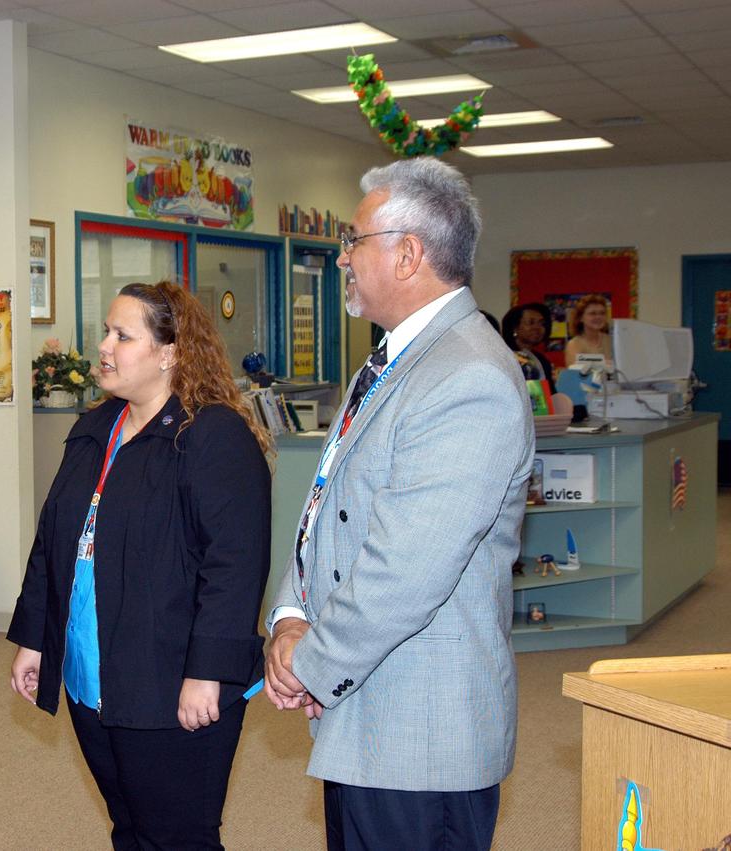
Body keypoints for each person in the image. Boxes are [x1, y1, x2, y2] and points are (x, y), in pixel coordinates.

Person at [263, 158, 533, 850]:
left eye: (353, 242)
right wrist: (291, 616)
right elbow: (323, 503)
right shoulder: (392, 358)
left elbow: (407, 567)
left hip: (421, 732)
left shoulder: (469, 375)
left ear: (408, 253)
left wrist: (312, 664)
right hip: (364, 712)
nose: (343, 259)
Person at [8, 281, 273, 849]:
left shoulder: (212, 436)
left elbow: (234, 566)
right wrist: (37, 638)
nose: (104, 346)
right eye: (106, 331)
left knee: (178, 835)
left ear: (169, 352)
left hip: (173, 679)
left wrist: (208, 671)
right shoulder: (94, 428)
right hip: (94, 673)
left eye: (123, 336)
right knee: (129, 826)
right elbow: (53, 538)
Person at [501, 302, 554, 381]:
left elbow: (548, 391)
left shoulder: (542, 360)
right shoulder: (506, 356)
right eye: (531, 322)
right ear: (515, 327)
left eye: (542, 323)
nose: (537, 328)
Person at [564, 293, 611, 364]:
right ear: (580, 318)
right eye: (593, 313)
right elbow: (576, 372)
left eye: (602, 313)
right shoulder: (574, 345)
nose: (598, 317)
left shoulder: (612, 341)